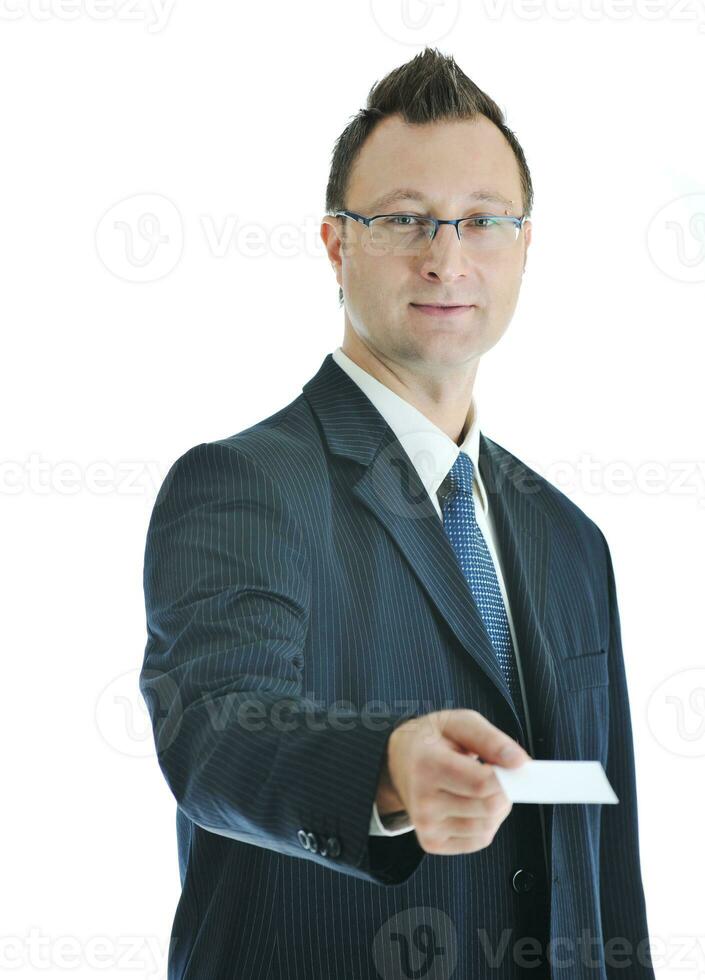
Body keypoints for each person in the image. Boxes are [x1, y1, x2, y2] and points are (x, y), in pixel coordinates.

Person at [140, 46, 655, 980]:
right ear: (337, 244)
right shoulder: (239, 485)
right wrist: (384, 767)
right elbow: (215, 731)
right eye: (405, 221)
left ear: (524, 245)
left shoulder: (573, 539)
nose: (445, 257)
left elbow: (603, 866)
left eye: (482, 221)